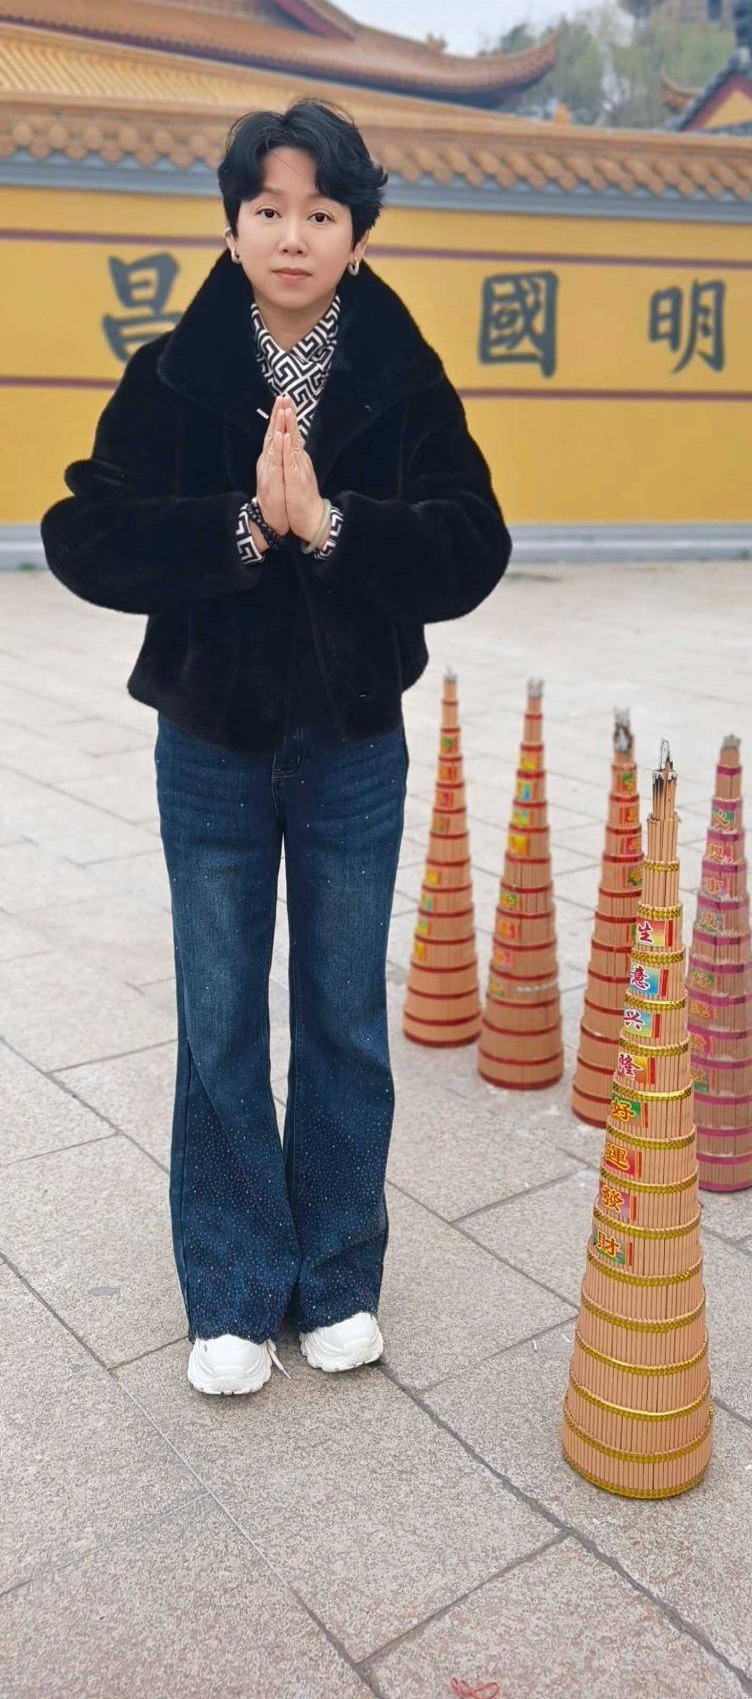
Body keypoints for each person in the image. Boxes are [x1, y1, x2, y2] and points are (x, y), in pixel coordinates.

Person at [40, 97, 512, 1396]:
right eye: (267, 210)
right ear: (232, 226)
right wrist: (242, 532)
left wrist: (335, 527)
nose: (292, 236)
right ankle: (237, 1286)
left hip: (354, 742)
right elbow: (83, 531)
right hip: (210, 743)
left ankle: (340, 1276)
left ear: (358, 235)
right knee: (220, 1014)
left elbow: (474, 544)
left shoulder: (401, 375)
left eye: (320, 212)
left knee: (346, 1014)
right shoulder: (174, 372)